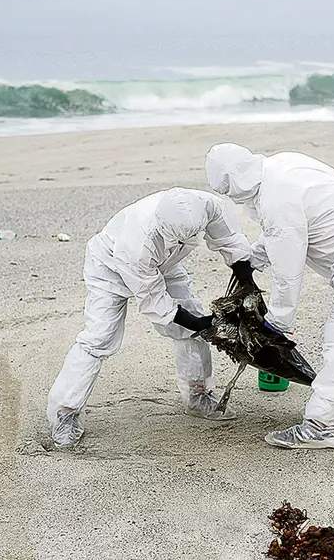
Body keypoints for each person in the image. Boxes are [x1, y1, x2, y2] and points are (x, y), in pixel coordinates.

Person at [206, 143, 334, 450]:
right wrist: (252, 260)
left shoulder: (276, 197)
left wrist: (278, 320)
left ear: (235, 182)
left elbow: (288, 268)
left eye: (228, 190)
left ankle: (322, 426)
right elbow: (281, 233)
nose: (231, 196)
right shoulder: (281, 166)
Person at [47, 188, 256, 447]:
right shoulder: (137, 242)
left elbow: (230, 240)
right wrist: (200, 323)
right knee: (99, 338)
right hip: (109, 268)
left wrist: (246, 279)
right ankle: (65, 413)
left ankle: (198, 394)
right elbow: (155, 302)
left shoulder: (205, 206)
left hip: (164, 264)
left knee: (190, 328)